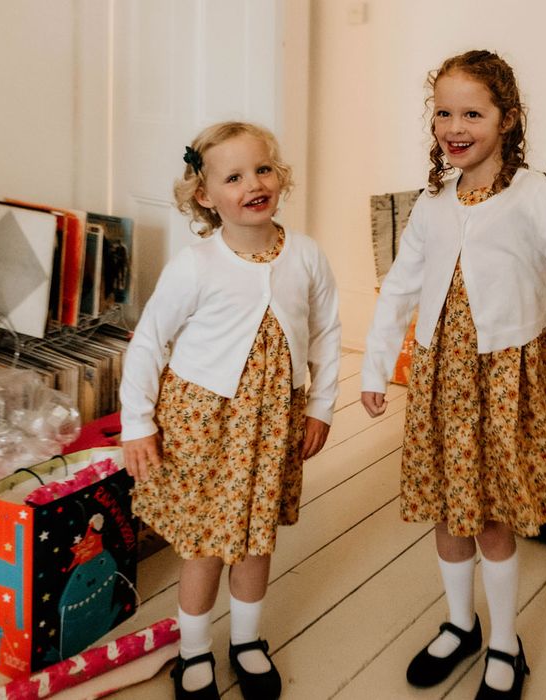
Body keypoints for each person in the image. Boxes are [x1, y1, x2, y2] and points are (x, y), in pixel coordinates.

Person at [360, 50, 546, 700]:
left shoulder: (534, 197)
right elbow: (401, 284)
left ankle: (505, 643)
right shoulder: (434, 201)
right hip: (437, 380)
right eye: (444, 113)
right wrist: (375, 363)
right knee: (447, 508)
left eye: (472, 113)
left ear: (507, 118)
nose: (455, 126)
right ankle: (460, 624)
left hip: (505, 383)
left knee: (491, 515)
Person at [120, 121, 341, 700]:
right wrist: (137, 423)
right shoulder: (196, 264)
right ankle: (194, 649)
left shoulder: (306, 256)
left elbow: (326, 333)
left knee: (255, 537)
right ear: (205, 195)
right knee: (204, 545)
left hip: (273, 424)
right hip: (203, 424)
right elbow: (148, 341)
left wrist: (320, 404)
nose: (253, 184)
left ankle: (246, 641)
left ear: (280, 176)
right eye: (234, 176)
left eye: (263, 169)